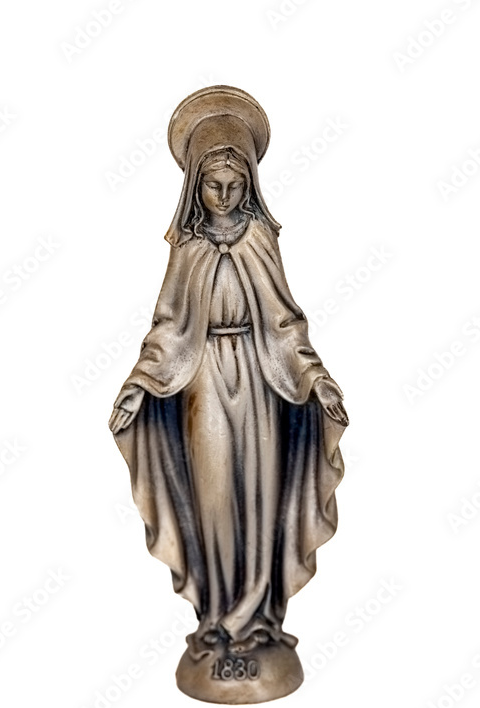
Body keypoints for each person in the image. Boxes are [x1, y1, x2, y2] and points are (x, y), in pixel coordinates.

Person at [109, 86, 347, 664]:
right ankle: (216, 618)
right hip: (202, 383)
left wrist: (315, 377)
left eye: (235, 185)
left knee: (261, 494)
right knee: (213, 496)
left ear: (250, 185)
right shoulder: (188, 248)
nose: (223, 196)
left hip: (262, 382)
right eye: (213, 185)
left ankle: (259, 619)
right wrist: (140, 381)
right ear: (195, 184)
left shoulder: (260, 239)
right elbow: (168, 327)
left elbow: (285, 322)